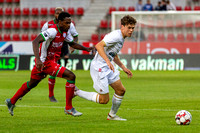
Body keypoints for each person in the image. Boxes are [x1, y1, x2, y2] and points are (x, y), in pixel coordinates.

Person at [5, 12, 93, 117]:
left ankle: (11, 101)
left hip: (49, 62)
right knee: (71, 76)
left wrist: (86, 49)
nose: (69, 25)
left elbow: (72, 44)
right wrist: (38, 60)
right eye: (66, 23)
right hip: (45, 62)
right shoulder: (52, 31)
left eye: (70, 23)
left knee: (32, 83)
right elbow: (35, 41)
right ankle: (68, 108)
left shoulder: (65, 32)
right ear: (60, 22)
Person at [74, 15, 137, 121]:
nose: (131, 30)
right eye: (129, 27)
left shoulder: (121, 37)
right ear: (122, 26)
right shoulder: (116, 36)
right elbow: (98, 46)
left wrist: (122, 67)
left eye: (133, 28)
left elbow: (113, 53)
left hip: (107, 67)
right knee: (104, 100)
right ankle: (76, 92)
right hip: (100, 67)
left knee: (121, 90)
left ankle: (112, 116)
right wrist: (108, 61)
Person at [41, 7, 79, 102]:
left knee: (60, 66)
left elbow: (75, 36)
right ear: (54, 14)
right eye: (57, 13)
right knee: (40, 75)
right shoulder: (48, 25)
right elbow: (41, 38)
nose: (58, 15)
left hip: (64, 44)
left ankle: (52, 95)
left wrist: (73, 46)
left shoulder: (69, 24)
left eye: (60, 13)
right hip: (52, 48)